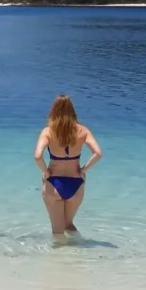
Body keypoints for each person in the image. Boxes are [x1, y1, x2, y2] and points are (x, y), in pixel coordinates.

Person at [33, 94, 102, 244]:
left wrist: (46, 172)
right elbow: (98, 153)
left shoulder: (48, 132)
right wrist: (83, 170)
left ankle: (61, 262)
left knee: (57, 231)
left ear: (53, 111)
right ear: (73, 111)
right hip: (76, 184)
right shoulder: (82, 131)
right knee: (68, 225)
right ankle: (81, 249)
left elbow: (38, 156)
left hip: (53, 183)